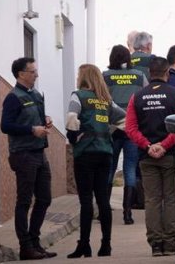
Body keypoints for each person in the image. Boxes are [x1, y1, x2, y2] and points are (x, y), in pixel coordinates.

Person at [126, 57, 175, 257]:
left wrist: (148, 145)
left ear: (149, 74)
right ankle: (170, 243)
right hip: (170, 155)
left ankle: (155, 244)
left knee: (152, 200)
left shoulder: (136, 97)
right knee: (170, 198)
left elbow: (130, 128)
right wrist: (164, 145)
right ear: (167, 73)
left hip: (146, 157)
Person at [65, 64, 126, 258]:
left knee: (86, 201)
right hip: (105, 152)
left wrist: (76, 136)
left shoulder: (78, 96)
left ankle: (84, 245)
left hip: (85, 153)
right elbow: (125, 120)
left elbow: (71, 119)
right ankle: (106, 245)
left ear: (83, 77)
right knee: (103, 201)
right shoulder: (106, 100)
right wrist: (108, 131)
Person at [0, 57, 56, 260]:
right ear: (21, 74)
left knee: (45, 199)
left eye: (36, 70)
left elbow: (37, 118)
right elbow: (5, 126)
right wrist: (31, 129)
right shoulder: (13, 97)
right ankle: (25, 247)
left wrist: (46, 120)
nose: (36, 74)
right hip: (23, 154)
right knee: (24, 201)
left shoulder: (35, 95)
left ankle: (34, 241)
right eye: (32, 71)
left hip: (39, 153)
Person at [102, 45, 148, 225]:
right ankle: (127, 213)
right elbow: (144, 97)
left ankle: (104, 211)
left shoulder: (105, 76)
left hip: (112, 129)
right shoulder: (138, 75)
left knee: (110, 169)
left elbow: (101, 99)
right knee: (130, 168)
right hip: (131, 128)